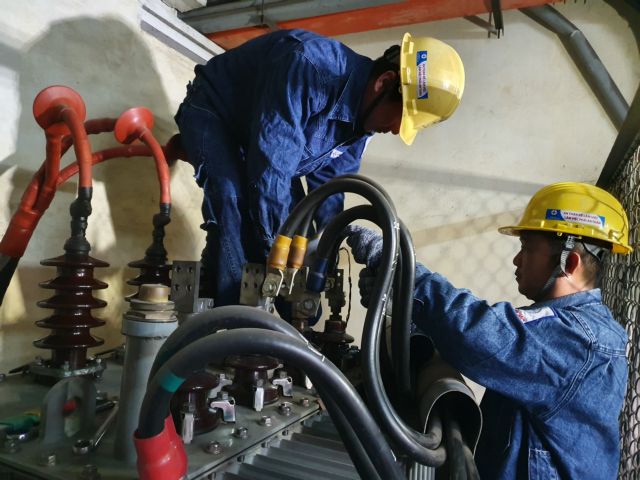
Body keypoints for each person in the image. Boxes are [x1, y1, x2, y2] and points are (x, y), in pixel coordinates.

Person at [347, 182, 631, 479]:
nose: (517, 260)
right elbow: (479, 343)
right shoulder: (565, 326)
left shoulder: (580, 339)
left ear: (568, 263)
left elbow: (480, 334)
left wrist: (400, 269)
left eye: (528, 249)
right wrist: (406, 307)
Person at [174, 29, 465, 306]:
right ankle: (230, 328)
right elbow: (270, 171)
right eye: (400, 116)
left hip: (261, 142)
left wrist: (324, 255)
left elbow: (330, 190)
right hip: (214, 112)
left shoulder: (362, 124)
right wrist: (276, 254)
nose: (396, 129)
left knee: (294, 223)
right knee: (232, 200)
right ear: (384, 82)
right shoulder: (309, 69)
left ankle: (277, 330)